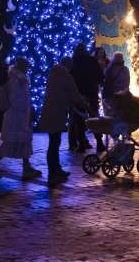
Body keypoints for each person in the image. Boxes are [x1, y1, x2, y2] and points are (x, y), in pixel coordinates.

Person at [35, 57, 88, 185]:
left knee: (54, 142)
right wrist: (83, 102)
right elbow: (74, 94)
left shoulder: (53, 73)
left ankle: (56, 169)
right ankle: (53, 173)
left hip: (49, 111)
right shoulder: (66, 75)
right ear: (69, 65)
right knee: (54, 143)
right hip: (57, 112)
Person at [0, 57, 42, 180]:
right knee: (11, 142)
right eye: (26, 65)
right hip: (17, 117)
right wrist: (28, 111)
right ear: (21, 66)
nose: (28, 68)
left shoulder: (19, 78)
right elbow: (16, 99)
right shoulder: (17, 79)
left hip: (21, 116)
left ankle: (26, 167)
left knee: (23, 142)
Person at [69, 44, 105, 153]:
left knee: (79, 120)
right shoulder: (92, 60)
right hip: (91, 93)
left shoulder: (73, 62)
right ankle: (99, 143)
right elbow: (100, 77)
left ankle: (81, 144)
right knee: (94, 117)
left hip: (78, 94)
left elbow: (70, 78)